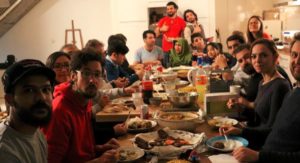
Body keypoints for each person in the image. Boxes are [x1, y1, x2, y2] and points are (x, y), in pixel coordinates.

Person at [228, 32, 300, 163]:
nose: (297, 61)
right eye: (294, 55)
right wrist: (242, 132)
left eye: (263, 55)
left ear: (275, 57)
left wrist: (258, 156)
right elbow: (274, 132)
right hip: (261, 151)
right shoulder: (293, 92)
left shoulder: (281, 86)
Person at [43, 49, 119, 163]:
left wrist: (99, 148)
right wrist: (99, 161)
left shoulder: (84, 100)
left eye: (97, 74)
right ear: (73, 75)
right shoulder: (60, 111)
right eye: (86, 73)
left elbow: (76, 152)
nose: (92, 80)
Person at [0, 59, 55, 162]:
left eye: (46, 89)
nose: (41, 98)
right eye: (29, 90)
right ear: (9, 99)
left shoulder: (36, 132)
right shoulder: (5, 152)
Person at [156, 1, 186, 67]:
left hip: (177, 50)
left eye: (171, 8)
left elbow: (185, 37)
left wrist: (174, 39)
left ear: (175, 9)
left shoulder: (181, 21)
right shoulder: (163, 20)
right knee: (167, 68)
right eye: (168, 9)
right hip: (165, 50)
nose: (169, 10)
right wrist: (161, 29)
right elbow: (156, 34)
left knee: (178, 68)